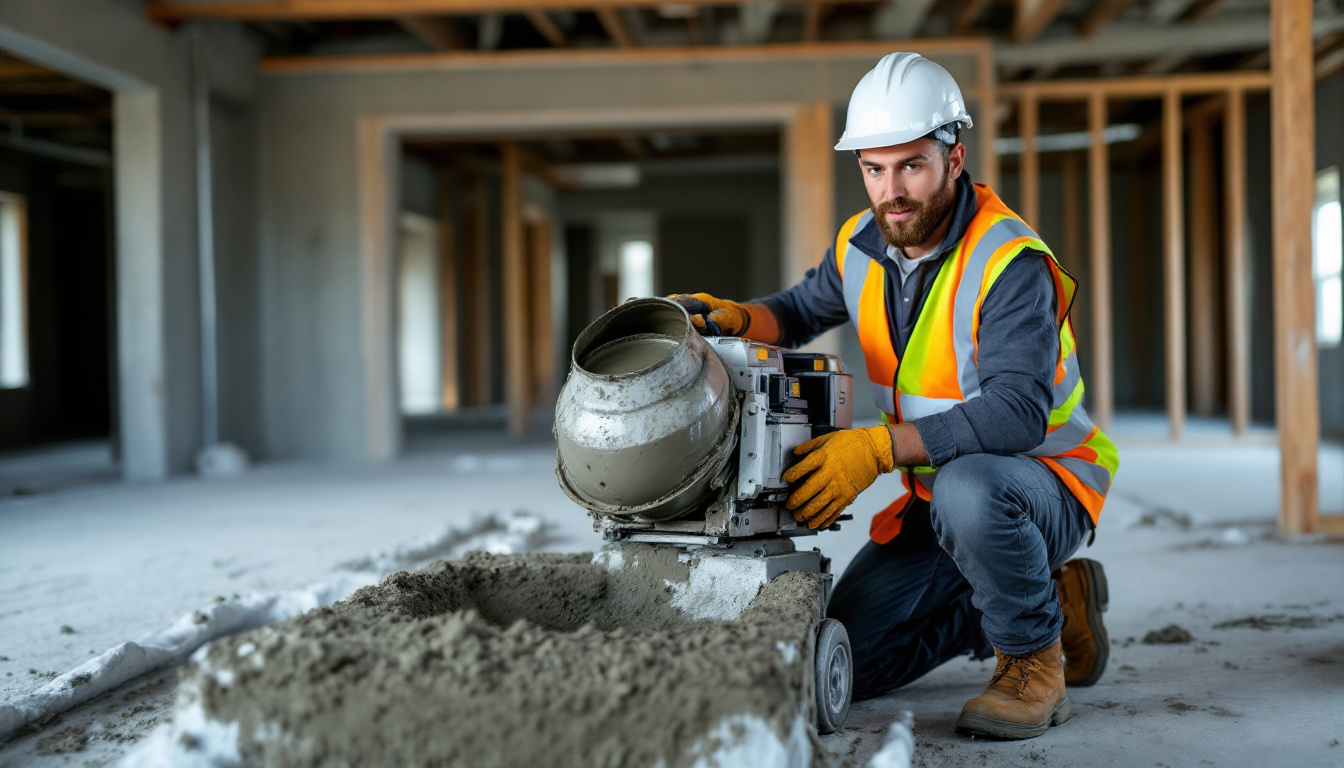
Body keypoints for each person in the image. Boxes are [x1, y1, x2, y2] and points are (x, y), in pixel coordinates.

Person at [670, 51, 1119, 740]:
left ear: (954, 158)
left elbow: (1020, 413)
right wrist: (740, 317)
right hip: (938, 497)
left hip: (1039, 486)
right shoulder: (862, 243)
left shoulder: (1009, 262)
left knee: (972, 490)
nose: (892, 190)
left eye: (911, 165)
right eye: (874, 169)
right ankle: (1054, 597)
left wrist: (880, 448)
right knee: (855, 658)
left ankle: (1033, 658)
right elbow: (798, 310)